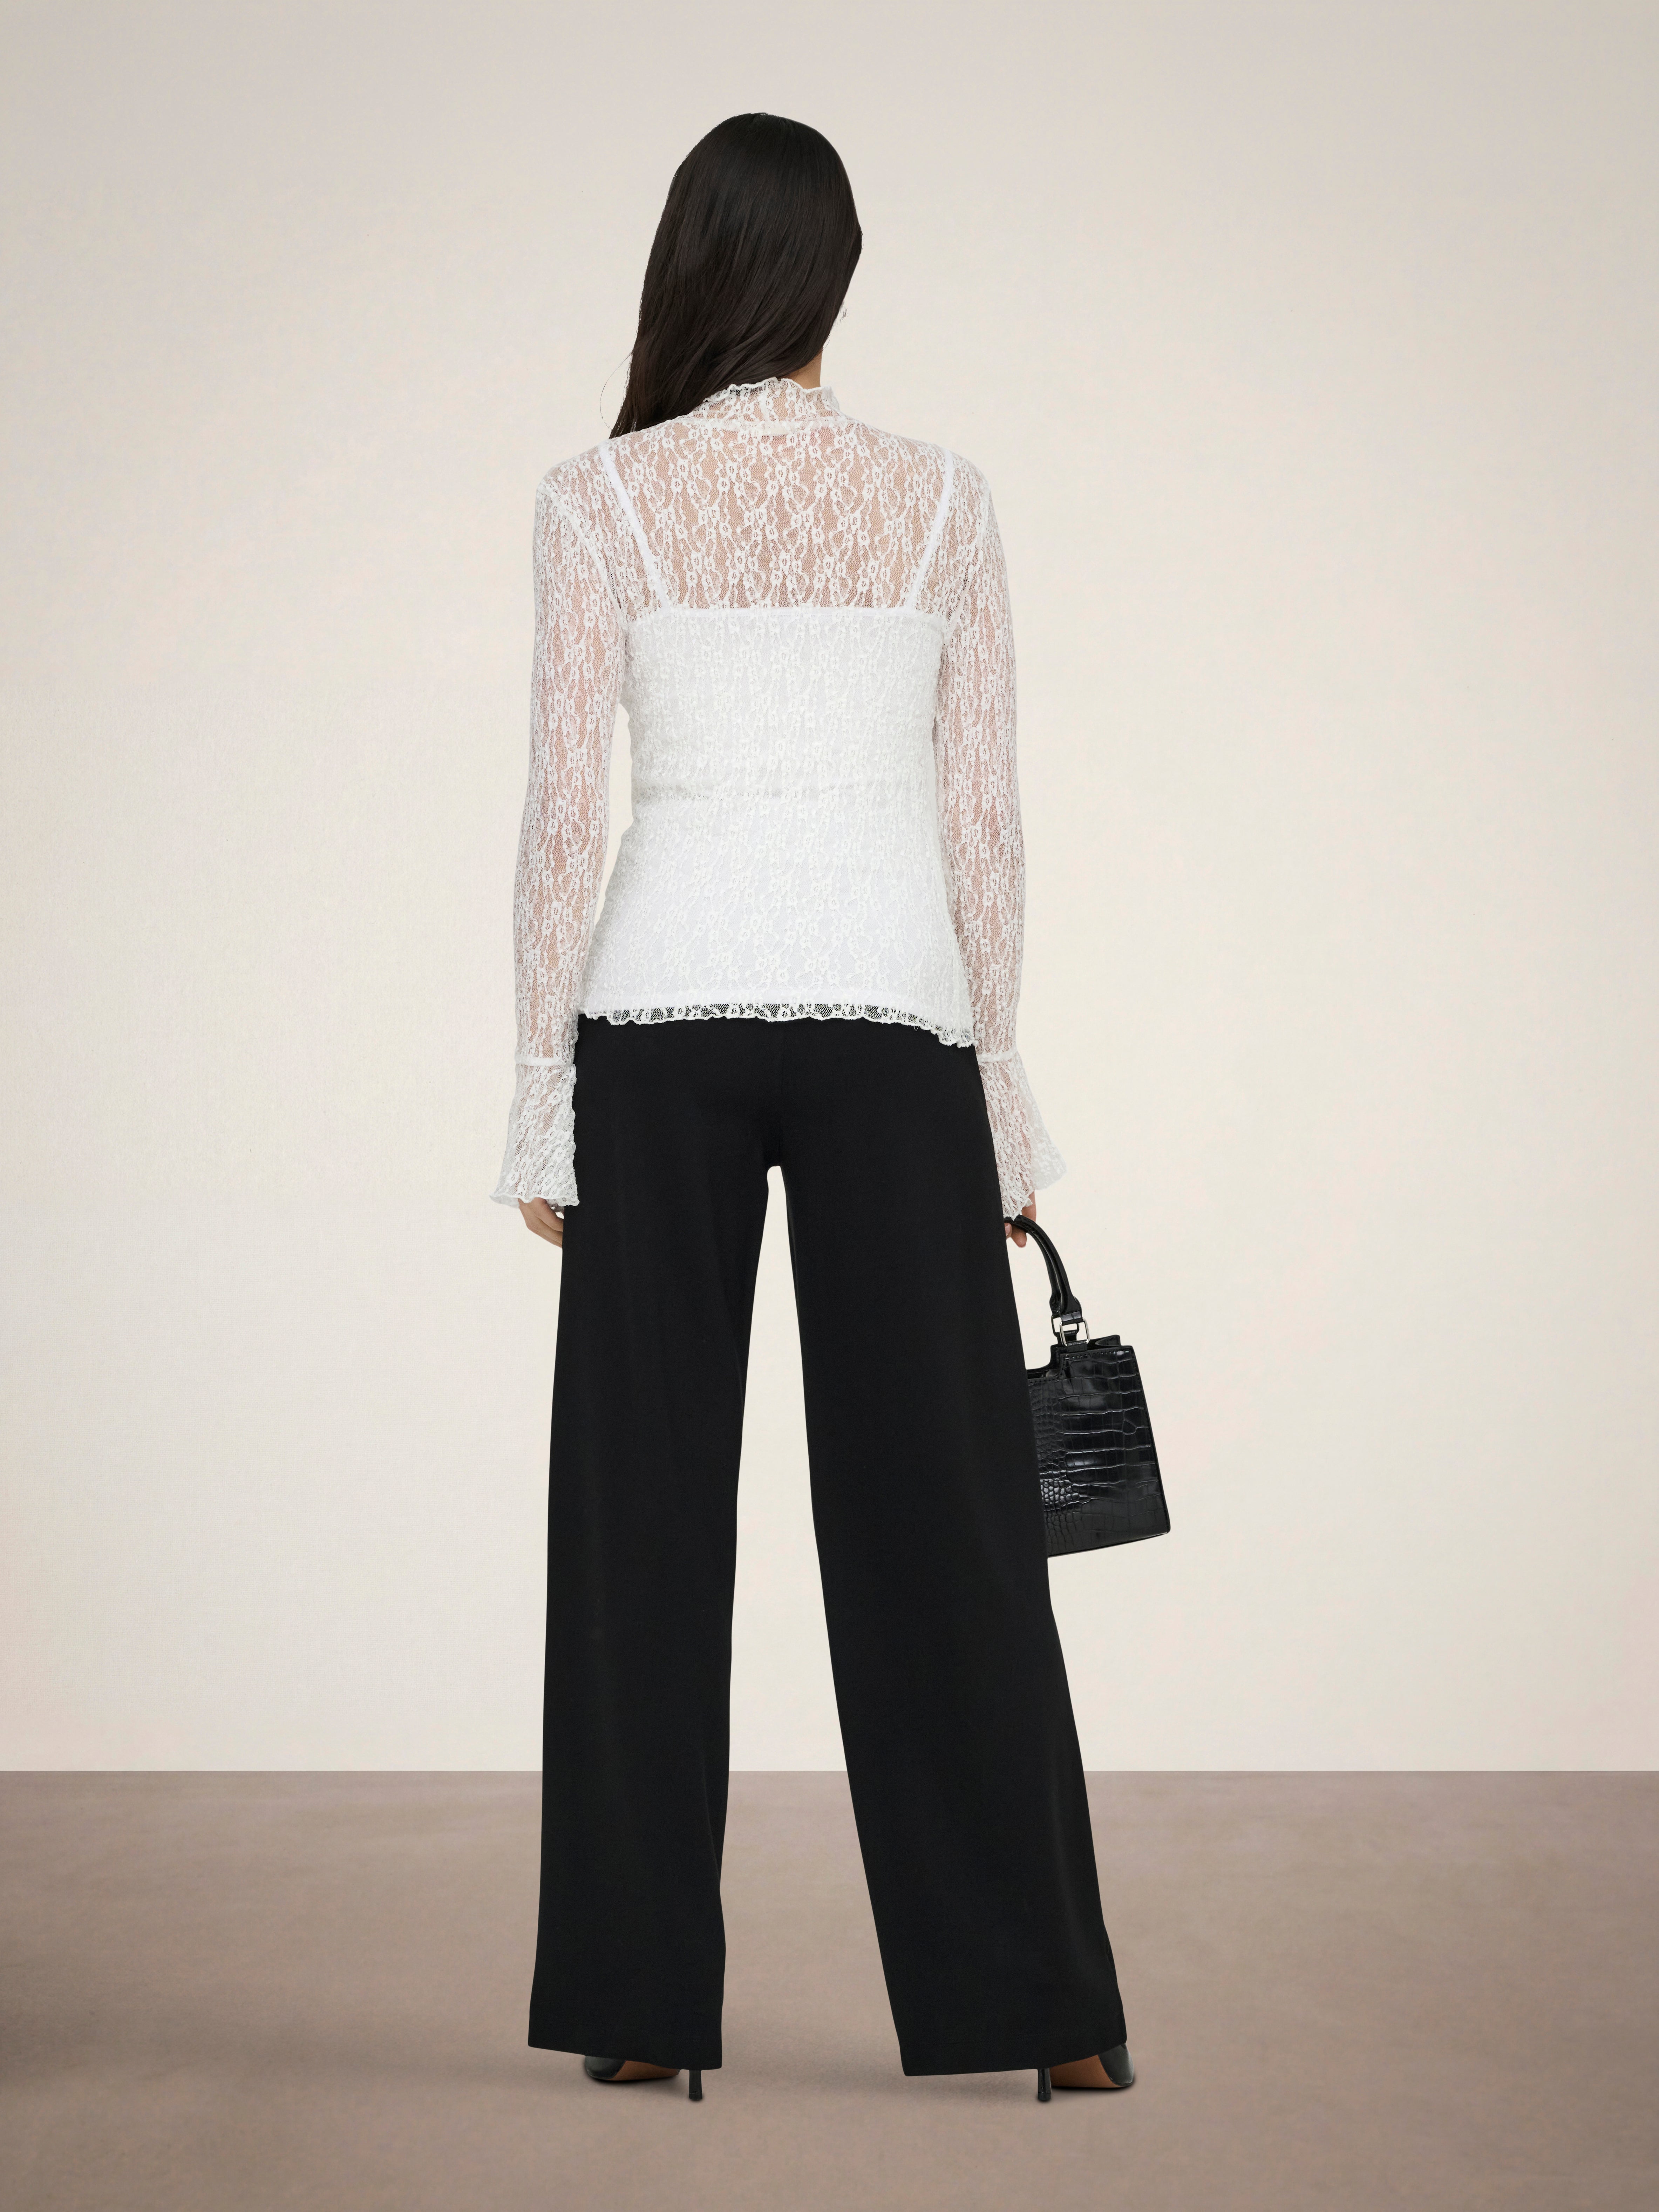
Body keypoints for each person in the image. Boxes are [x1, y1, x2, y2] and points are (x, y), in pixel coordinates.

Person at [492, 111, 1133, 2105]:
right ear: (837, 272)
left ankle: (633, 2012)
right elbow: (984, 816)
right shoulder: (942, 501)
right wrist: (997, 1081)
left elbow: (561, 814)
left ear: (689, 264)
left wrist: (541, 1094)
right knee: (950, 1518)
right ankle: (1046, 2013)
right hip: (892, 1027)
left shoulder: (598, 497)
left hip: (656, 1027)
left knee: (638, 1524)